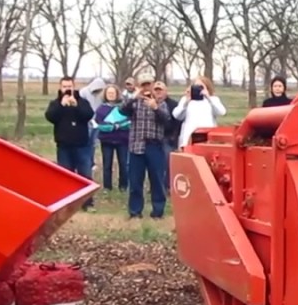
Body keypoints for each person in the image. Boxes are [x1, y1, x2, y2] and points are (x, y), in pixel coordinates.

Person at [119, 79, 171, 219]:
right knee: (135, 181)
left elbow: (166, 121)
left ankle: (158, 212)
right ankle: (135, 212)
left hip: (155, 146)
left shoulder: (160, 103)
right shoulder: (134, 102)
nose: (146, 88)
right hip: (137, 146)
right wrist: (133, 98)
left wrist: (155, 108)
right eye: (144, 85)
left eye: (149, 85)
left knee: (157, 180)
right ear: (140, 87)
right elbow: (121, 111)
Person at [44, 76, 96, 210]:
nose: (67, 89)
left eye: (69, 86)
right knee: (66, 176)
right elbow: (50, 117)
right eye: (64, 87)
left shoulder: (82, 101)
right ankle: (67, 204)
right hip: (64, 146)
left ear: (74, 87)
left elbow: (89, 115)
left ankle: (87, 203)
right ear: (60, 88)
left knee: (85, 175)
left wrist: (76, 105)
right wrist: (61, 106)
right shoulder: (56, 103)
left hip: (82, 145)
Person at [94, 84, 130, 192]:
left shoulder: (123, 107)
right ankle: (107, 186)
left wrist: (119, 125)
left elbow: (128, 121)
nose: (111, 95)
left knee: (123, 164)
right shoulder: (101, 109)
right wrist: (112, 126)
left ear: (117, 94)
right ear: (105, 94)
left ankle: (123, 186)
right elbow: (99, 124)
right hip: (106, 140)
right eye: (109, 93)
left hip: (122, 140)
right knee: (107, 164)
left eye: (113, 93)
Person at [173, 75, 227, 149]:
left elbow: (222, 112)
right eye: (196, 86)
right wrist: (186, 103)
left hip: (206, 135)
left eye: (201, 87)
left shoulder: (213, 99)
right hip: (189, 136)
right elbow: (176, 115)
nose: (198, 89)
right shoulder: (186, 99)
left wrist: (208, 98)